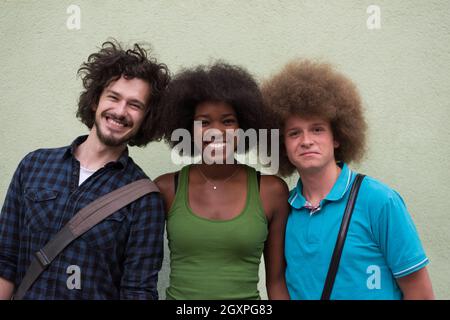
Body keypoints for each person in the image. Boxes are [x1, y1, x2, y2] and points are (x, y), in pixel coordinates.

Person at [0, 40, 170, 300]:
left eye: (134, 105)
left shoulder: (144, 199)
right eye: (113, 97)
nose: (120, 111)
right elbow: (5, 261)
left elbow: (137, 291)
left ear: (146, 117)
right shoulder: (33, 165)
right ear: (95, 101)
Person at [261, 59, 434, 300]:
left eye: (317, 129)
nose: (306, 140)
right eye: (294, 133)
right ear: (283, 146)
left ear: (337, 137)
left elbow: (421, 294)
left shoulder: (380, 201)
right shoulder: (285, 209)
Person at [155, 62, 290, 300]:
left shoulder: (271, 191)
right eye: (204, 122)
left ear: (245, 127)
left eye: (228, 121)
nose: (216, 131)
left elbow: (277, 282)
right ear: (188, 128)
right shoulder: (167, 188)